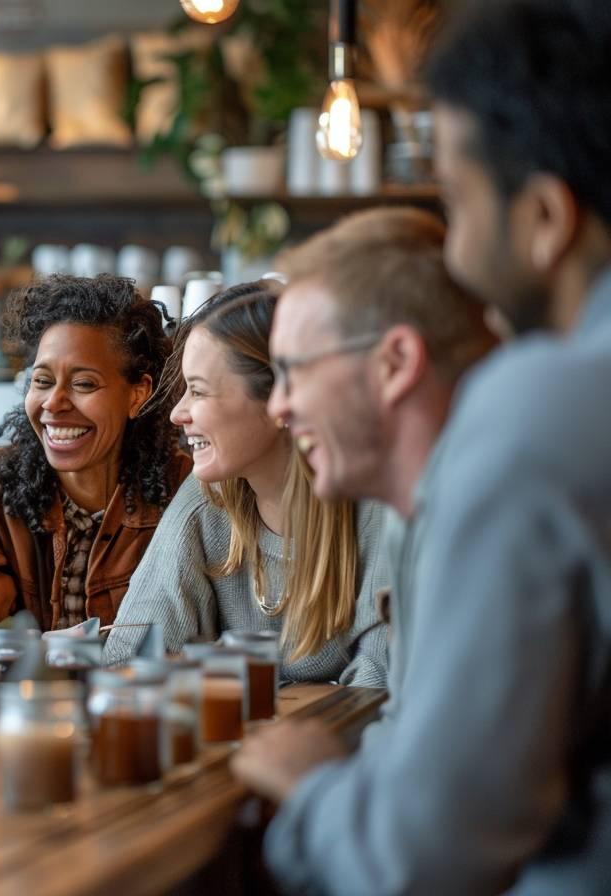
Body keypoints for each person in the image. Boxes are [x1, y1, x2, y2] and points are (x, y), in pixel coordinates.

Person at [232, 2, 611, 892]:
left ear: (547, 218)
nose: (458, 254)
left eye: (456, 201)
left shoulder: (540, 409)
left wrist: (315, 787)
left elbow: (420, 856)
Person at [266, 206, 494, 741]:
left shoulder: (493, 517)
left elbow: (459, 804)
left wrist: (310, 782)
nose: (279, 407)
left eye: (292, 372)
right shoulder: (415, 511)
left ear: (394, 364)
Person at [104, 282, 390, 686]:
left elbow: (381, 690)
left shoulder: (378, 507)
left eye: (198, 391)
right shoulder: (206, 503)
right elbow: (129, 667)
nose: (178, 414)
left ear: (280, 401)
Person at [0, 274, 188, 630]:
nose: (53, 403)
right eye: (42, 381)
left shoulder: (185, 491)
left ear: (138, 393)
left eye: (83, 384)